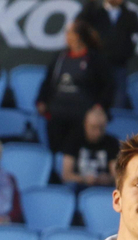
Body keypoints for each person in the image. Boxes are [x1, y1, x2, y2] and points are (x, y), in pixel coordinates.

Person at [36, 19, 112, 154]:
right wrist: (41, 101)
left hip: (82, 116)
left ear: (79, 36)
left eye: (69, 32)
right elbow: (48, 81)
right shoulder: (60, 57)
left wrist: (99, 106)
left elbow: (108, 85)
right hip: (57, 114)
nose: (67, 36)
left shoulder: (95, 59)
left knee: (76, 152)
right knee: (56, 150)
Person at [83, 0, 138, 109]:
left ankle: (117, 125)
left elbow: (137, 26)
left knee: (118, 100)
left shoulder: (128, 14)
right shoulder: (97, 13)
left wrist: (122, 4)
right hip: (99, 64)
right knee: (96, 97)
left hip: (119, 66)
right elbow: (83, 20)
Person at [61, 104, 118, 189]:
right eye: (93, 127)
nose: (97, 132)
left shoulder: (112, 143)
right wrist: (84, 179)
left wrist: (108, 179)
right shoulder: (73, 140)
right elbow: (66, 175)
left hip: (103, 189)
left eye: (101, 128)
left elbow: (116, 176)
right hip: (78, 187)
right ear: (85, 124)